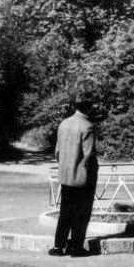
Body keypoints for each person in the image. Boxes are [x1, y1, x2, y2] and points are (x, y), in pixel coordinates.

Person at [48, 89, 99, 257]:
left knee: (65, 212)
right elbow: (89, 155)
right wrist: (90, 174)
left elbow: (57, 152)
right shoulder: (87, 126)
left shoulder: (64, 123)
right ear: (88, 106)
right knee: (82, 213)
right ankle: (76, 247)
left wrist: (66, 165)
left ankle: (58, 246)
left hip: (66, 175)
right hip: (83, 177)